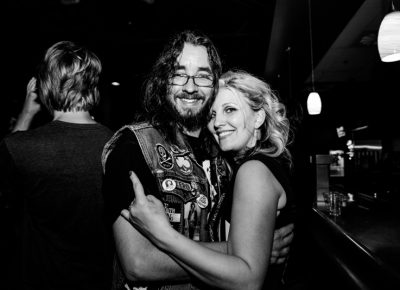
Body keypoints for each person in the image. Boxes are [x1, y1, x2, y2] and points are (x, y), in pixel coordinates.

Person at [102, 30, 294, 290]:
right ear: (163, 81)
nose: (190, 87)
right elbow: (138, 262)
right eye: (179, 74)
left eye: (202, 76)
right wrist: (250, 250)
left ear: (213, 83)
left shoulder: (224, 152)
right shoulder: (132, 147)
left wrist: (249, 253)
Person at [0, 41, 113, 290]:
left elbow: (7, 191)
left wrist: (27, 113)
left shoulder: (20, 148)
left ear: (44, 86)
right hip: (99, 279)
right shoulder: (117, 145)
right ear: (93, 86)